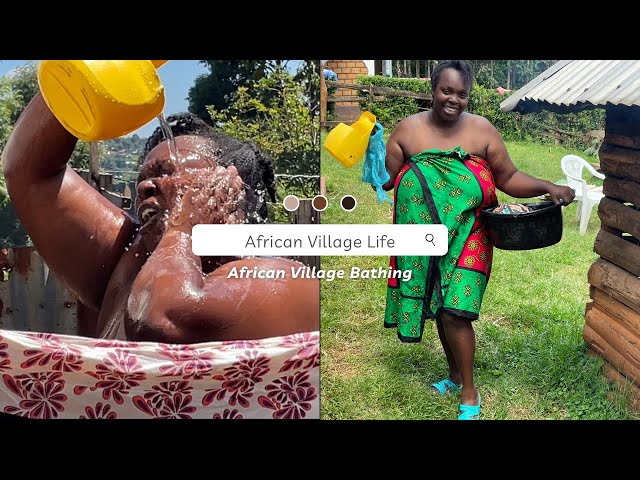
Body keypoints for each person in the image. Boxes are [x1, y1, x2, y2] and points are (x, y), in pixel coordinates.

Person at [1, 93, 319, 344]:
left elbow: (163, 320)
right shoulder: (131, 263)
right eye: (143, 177)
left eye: (167, 172)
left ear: (233, 190)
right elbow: (29, 170)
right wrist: (83, 72)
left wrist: (183, 228)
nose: (143, 187)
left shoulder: (286, 283)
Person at [381, 60, 575, 420]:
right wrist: (375, 153)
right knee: (440, 303)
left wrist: (548, 187)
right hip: (422, 238)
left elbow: (509, 176)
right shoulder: (406, 130)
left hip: (470, 233)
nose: (453, 99)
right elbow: (387, 179)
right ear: (433, 89)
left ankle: (469, 392)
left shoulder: (482, 130)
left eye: (461, 94)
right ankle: (454, 375)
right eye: (446, 91)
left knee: (456, 310)